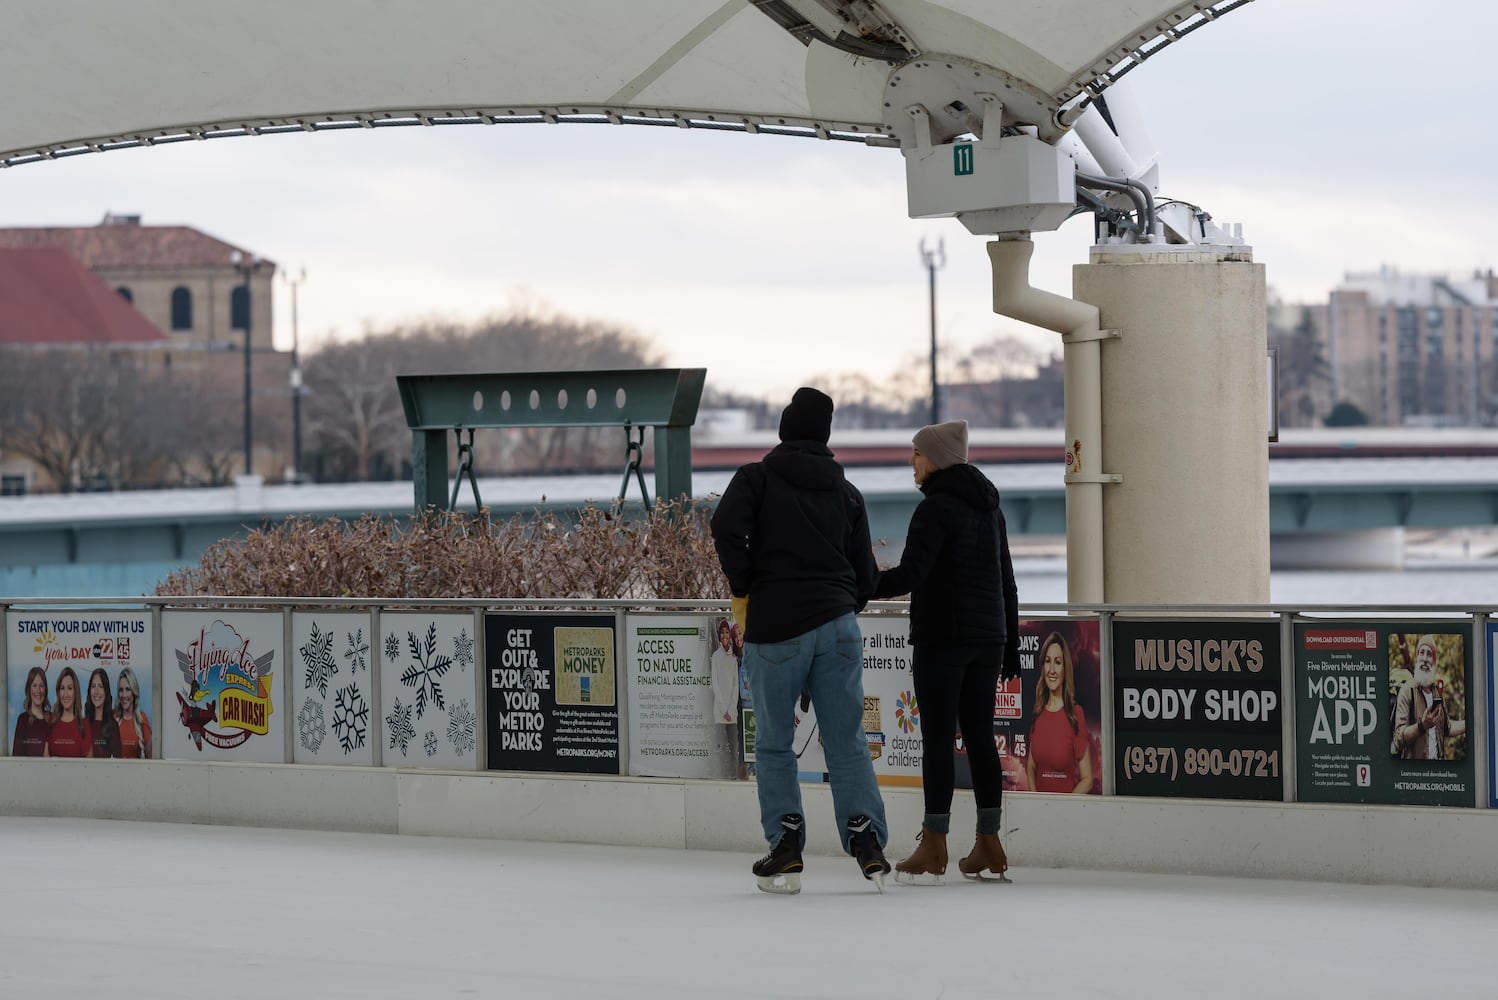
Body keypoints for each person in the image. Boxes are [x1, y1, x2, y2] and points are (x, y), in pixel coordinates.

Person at [711, 386, 890, 894]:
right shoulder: (847, 493)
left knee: (773, 745)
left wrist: (746, 585)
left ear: (785, 429)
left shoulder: (757, 480)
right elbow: (867, 580)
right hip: (837, 628)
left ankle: (786, 846)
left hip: (775, 627)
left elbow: (724, 526)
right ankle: (867, 841)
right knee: (846, 740)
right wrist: (836, 604)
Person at [870, 419, 1018, 884]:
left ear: (936, 457)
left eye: (916, 453)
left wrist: (862, 582)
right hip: (987, 640)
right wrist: (1009, 642)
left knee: (936, 738)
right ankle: (989, 842)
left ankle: (934, 845)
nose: (911, 463)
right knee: (978, 736)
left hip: (943, 639)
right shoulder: (990, 507)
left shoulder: (935, 509)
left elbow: (911, 575)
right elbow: (1007, 582)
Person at [1027, 632, 1094, 794]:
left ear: (1065, 668)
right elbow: (1031, 766)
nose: (1051, 670)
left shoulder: (1075, 714)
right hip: (1037, 812)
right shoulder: (1038, 710)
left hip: (1064, 813)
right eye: (1047, 662)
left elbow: (1087, 780)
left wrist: (1062, 808)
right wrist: (1035, 801)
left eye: (1057, 662)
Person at [1393, 634, 1466, 760]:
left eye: (1429, 654)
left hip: (1437, 771)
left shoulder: (1437, 692)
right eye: (1422, 653)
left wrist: (1473, 723)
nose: (1425, 658)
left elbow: (1447, 728)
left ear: (1434, 662)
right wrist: (1422, 725)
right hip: (1416, 773)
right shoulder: (1407, 691)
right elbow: (1399, 738)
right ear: (1417, 658)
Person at [710, 618, 741, 777]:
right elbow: (714, 684)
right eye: (722, 632)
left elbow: (736, 686)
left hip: (732, 713)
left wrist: (730, 708)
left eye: (727, 632)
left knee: (733, 750)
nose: (724, 635)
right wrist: (723, 709)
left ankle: (733, 776)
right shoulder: (716, 656)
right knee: (721, 748)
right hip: (719, 713)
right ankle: (721, 777)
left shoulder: (733, 657)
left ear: (730, 635)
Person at [44, 667, 88, 757]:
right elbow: (45, 760)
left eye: (70, 688)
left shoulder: (85, 725)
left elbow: (88, 766)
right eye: (62, 688)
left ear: (75, 692)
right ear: (58, 692)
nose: (65, 694)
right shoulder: (50, 721)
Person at [12, 666, 51, 756]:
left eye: (41, 686)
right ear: (29, 689)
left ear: (45, 689)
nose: (38, 690)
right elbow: (17, 757)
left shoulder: (53, 719)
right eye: (34, 685)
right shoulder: (23, 720)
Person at [116, 667, 153, 759]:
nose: (124, 695)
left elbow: (151, 759)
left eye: (128, 689)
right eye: (121, 690)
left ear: (134, 691)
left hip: (136, 772)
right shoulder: (112, 718)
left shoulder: (142, 718)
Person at [84, 667, 121, 759]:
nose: (96, 692)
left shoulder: (113, 726)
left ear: (106, 692)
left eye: (100, 686)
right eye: (93, 686)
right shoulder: (82, 725)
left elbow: (118, 764)